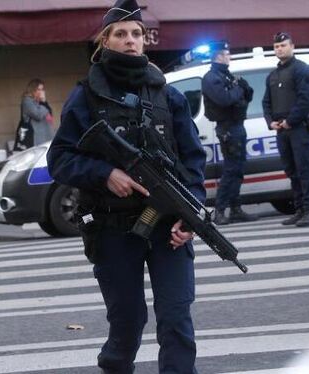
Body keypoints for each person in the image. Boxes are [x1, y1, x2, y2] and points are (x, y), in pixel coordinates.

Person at [46, 0, 205, 372]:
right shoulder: (86, 97)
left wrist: (192, 214)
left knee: (176, 318)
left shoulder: (168, 95)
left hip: (167, 227)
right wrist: (105, 174)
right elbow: (60, 159)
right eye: (121, 34)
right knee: (128, 323)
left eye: (137, 34)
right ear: (105, 41)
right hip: (114, 229)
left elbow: (194, 161)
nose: (131, 40)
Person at [262, 32, 309, 227]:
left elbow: (306, 100)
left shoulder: (302, 70)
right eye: (276, 46)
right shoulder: (273, 75)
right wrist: (271, 122)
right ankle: (300, 209)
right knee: (291, 170)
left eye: (283, 45)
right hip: (282, 130)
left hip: (298, 128)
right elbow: (266, 102)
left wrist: (290, 121)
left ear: (292, 46)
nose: (279, 49)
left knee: (304, 169)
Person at [201, 41, 258, 225]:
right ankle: (220, 210)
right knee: (231, 169)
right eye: (226, 54)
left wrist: (243, 88)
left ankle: (235, 208)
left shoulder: (226, 76)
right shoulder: (212, 78)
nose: (229, 57)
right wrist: (238, 88)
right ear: (219, 56)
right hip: (227, 128)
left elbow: (245, 96)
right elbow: (224, 99)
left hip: (236, 126)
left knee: (238, 169)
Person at [21, 78, 55, 146]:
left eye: (42, 89)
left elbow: (49, 114)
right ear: (32, 90)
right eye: (39, 89)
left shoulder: (40, 101)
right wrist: (43, 105)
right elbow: (38, 115)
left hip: (46, 135)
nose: (41, 92)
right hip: (36, 138)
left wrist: (44, 102)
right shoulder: (27, 101)